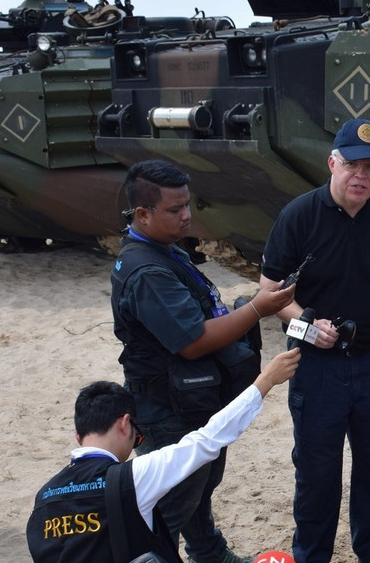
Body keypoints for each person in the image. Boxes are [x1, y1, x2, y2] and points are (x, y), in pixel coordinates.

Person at [110, 159, 296, 563]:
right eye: (174, 209)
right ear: (142, 214)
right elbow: (192, 341)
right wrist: (257, 310)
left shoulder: (160, 251)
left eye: (187, 205)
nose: (186, 215)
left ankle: (209, 553)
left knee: (201, 482)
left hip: (191, 396)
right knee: (173, 502)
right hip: (167, 406)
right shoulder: (147, 271)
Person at [258, 118, 370, 563]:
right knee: (317, 475)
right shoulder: (299, 215)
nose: (361, 175)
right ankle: (312, 556)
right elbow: (267, 294)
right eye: (352, 164)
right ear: (332, 163)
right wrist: (307, 326)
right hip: (317, 368)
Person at [27, 348, 301, 563]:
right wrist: (265, 381)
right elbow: (208, 439)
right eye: (138, 435)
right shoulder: (133, 477)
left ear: (79, 436)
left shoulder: (44, 498)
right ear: (125, 424)